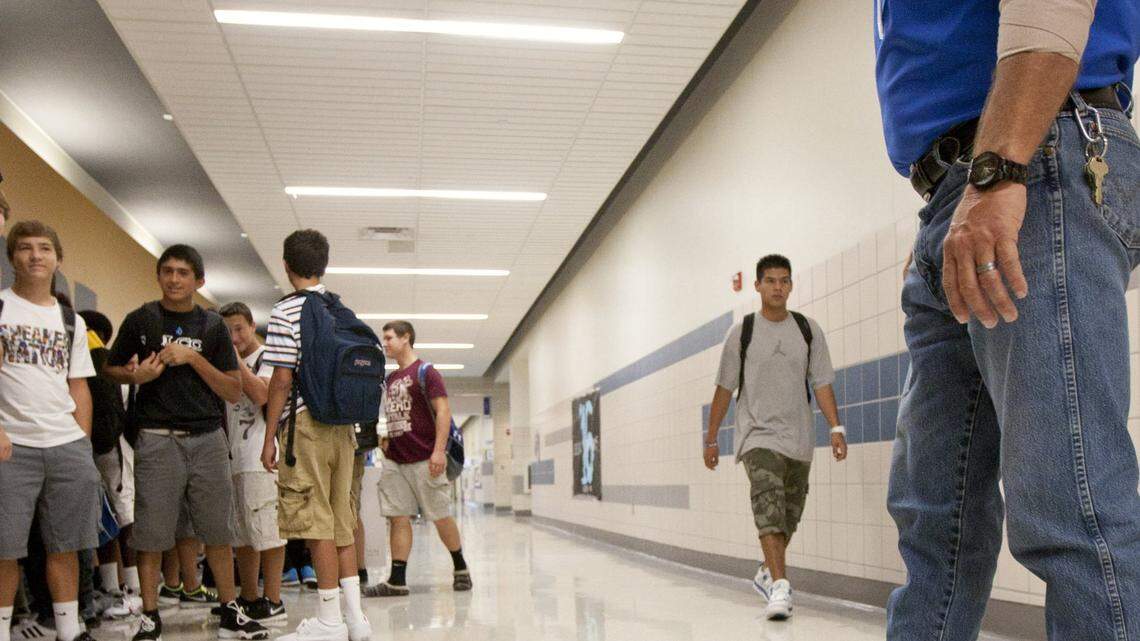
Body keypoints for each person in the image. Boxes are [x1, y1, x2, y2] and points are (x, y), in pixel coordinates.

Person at [874, 2, 1140, 639]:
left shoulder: (1009, 169)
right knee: (934, 519)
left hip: (1028, 157)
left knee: (1072, 510)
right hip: (965, 187)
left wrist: (998, 169)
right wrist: (953, 199)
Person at [104, 245, 267, 641]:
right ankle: (150, 615)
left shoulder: (212, 327)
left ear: (199, 281)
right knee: (151, 531)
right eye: (168, 272)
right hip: (157, 439)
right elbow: (110, 369)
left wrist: (193, 359)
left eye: (183, 273)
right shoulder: (141, 319)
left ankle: (230, 610)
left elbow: (232, 389)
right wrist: (136, 377)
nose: (175, 279)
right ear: (159, 276)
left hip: (208, 438)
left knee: (217, 529)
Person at [704, 255, 846, 621]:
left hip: (798, 440)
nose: (777, 287)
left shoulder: (807, 330)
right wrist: (711, 437)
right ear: (757, 286)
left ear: (791, 285)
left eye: (784, 281)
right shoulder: (743, 332)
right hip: (757, 438)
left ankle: (768, 570)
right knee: (768, 503)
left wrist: (835, 427)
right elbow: (724, 387)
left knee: (788, 516)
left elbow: (822, 382)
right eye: (770, 281)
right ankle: (780, 587)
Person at [261, 230, 371, 641]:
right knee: (342, 518)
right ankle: (356, 620)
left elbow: (281, 380)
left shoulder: (286, 311)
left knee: (315, 521)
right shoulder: (340, 309)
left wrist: (269, 435)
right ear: (323, 266)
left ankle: (328, 622)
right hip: (344, 430)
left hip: (304, 429)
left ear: (286, 265)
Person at [0, 221, 100, 641]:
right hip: (11, 445)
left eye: (44, 248)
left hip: (65, 444)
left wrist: (82, 442)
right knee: (5, 548)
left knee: (66, 546)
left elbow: (79, 385)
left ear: (58, 259)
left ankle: (67, 629)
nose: (36, 256)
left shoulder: (70, 320)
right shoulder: (1, 308)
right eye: (25, 248)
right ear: (12, 257)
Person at [366, 320, 471, 598]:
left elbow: (443, 412)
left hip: (426, 457)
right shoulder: (390, 379)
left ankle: (460, 567)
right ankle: (397, 580)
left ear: (406, 338)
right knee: (398, 517)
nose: (385, 343)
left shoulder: (426, 372)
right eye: (384, 338)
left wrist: (438, 451)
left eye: (389, 338)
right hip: (396, 460)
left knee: (439, 515)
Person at [218, 302, 287, 625]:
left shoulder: (268, 358)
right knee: (242, 535)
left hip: (262, 458)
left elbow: (261, 394)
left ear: (252, 325)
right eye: (227, 331)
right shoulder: (224, 360)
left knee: (268, 532)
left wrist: (233, 360)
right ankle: (249, 597)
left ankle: (274, 600)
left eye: (239, 329)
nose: (234, 337)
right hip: (232, 458)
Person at [77, 310, 142, 619]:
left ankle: (117, 587)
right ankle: (127, 587)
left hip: (99, 446)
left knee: (110, 516)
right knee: (120, 514)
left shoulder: (92, 358)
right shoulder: (103, 360)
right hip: (112, 447)